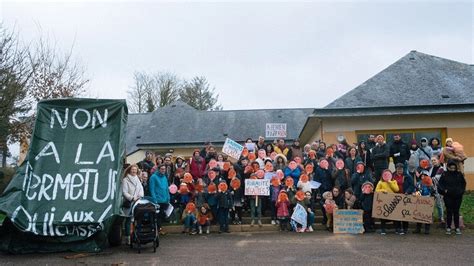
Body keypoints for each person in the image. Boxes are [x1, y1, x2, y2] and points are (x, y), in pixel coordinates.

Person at [438, 160, 466, 235]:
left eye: (454, 168)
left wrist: (461, 192)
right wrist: (444, 191)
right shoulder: (444, 174)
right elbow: (440, 184)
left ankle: (457, 227)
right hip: (448, 196)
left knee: (456, 211)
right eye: (451, 168)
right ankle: (449, 227)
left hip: (458, 196)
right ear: (448, 167)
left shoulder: (459, 174)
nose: (453, 170)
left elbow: (463, 184)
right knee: (449, 211)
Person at [122, 164, 145, 245]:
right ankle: (127, 238)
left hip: (137, 202)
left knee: (136, 219)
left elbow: (141, 188)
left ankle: (136, 236)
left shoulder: (137, 178)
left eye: (135, 170)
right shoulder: (125, 180)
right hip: (129, 202)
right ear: (129, 170)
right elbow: (124, 192)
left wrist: (140, 196)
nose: (134, 171)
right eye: (132, 170)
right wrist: (132, 198)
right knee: (128, 220)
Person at [392, 163, 415, 235]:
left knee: (404, 213)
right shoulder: (392, 176)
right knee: (396, 213)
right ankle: (397, 228)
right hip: (395, 197)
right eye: (398, 169)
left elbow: (412, 185)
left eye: (401, 169)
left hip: (405, 197)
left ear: (403, 169)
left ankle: (405, 228)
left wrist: (407, 191)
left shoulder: (407, 176)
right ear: (396, 169)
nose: (399, 170)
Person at [375, 169, 399, 235]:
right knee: (383, 216)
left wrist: (390, 182)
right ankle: (383, 229)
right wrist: (383, 190)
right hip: (384, 201)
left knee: (394, 215)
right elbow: (376, 190)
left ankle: (397, 229)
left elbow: (396, 189)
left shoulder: (394, 181)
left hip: (392, 201)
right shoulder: (380, 182)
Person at [149, 164, 170, 233]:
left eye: (164, 169)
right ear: (158, 169)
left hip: (164, 200)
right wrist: (154, 199)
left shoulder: (165, 177)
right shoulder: (153, 177)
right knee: (156, 216)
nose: (163, 170)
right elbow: (152, 189)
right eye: (162, 169)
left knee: (161, 216)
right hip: (157, 200)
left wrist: (168, 198)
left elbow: (167, 188)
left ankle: (159, 229)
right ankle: (155, 230)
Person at [429, 156, 445, 225]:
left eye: (434, 160)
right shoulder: (431, 169)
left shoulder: (441, 169)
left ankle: (441, 217)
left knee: (439, 204)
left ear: (438, 160)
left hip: (438, 188)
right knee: (431, 204)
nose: (433, 162)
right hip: (431, 188)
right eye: (432, 161)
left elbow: (436, 178)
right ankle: (430, 217)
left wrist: (429, 179)